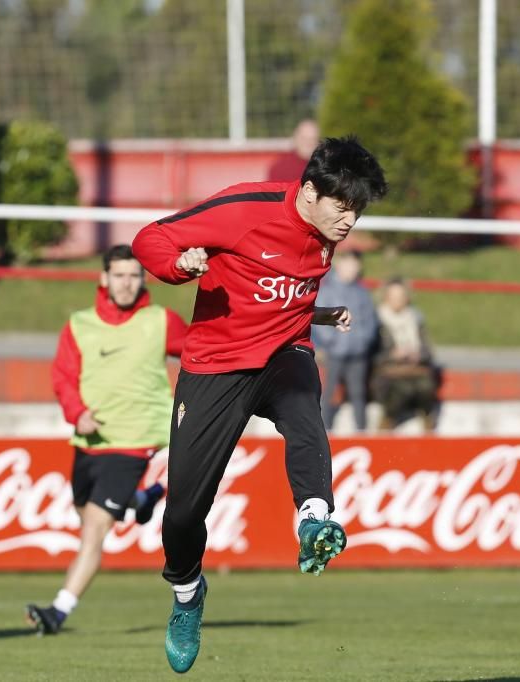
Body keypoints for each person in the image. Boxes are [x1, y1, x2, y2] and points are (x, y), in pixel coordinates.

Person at [132, 135, 388, 674]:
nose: (349, 223)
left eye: (358, 212)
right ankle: (186, 593)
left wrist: (318, 317)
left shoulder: (324, 230)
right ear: (310, 191)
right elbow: (149, 238)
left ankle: (315, 521)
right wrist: (182, 266)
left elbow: (278, 292)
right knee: (182, 515)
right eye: (343, 208)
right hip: (215, 366)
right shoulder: (244, 209)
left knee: (304, 407)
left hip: (283, 353)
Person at [26, 244, 187, 635]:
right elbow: (63, 377)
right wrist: (77, 413)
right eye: (119, 275)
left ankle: (58, 611)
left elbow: (202, 355)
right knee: (87, 516)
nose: (127, 283)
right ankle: (141, 499)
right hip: (89, 441)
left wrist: (196, 404)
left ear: (143, 280)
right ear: (104, 279)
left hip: (135, 442)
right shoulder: (80, 324)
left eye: (134, 275)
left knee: (94, 530)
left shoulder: (160, 321)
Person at [314, 249, 379, 431]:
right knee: (328, 392)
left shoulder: (362, 291)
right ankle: (324, 429)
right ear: (339, 265)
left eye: (355, 265)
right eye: (348, 264)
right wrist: (330, 342)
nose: (352, 269)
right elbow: (318, 321)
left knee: (358, 393)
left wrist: (364, 341)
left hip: (358, 352)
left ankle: (361, 430)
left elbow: (370, 320)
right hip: (334, 352)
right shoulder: (326, 289)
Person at [371, 278, 439, 432]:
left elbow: (428, 351)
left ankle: (428, 426)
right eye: (393, 296)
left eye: (401, 296)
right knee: (402, 389)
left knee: (426, 386)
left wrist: (418, 354)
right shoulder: (377, 320)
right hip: (388, 372)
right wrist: (392, 355)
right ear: (385, 297)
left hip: (414, 369)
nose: (397, 300)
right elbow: (372, 353)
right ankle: (387, 423)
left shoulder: (415, 318)